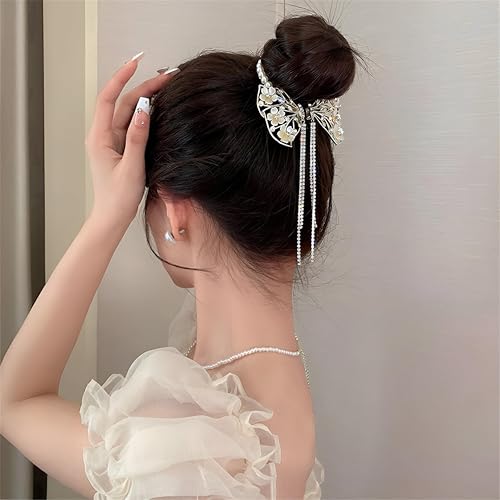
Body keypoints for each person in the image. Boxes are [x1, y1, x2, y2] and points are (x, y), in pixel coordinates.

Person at [0, 13, 361, 499]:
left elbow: (17, 402)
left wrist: (107, 215)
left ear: (174, 212)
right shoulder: (280, 382)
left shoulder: (184, 435)